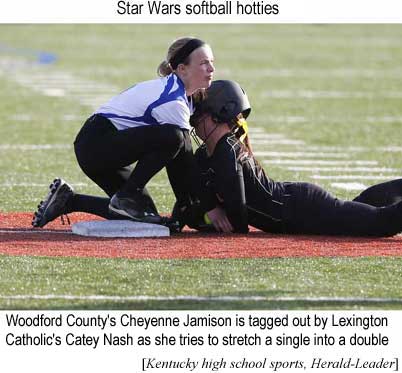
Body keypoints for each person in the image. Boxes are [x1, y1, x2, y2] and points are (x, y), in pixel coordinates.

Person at [32, 37, 215, 228]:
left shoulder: (181, 93)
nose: (211, 69)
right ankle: (128, 195)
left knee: (145, 215)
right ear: (182, 68)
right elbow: (183, 161)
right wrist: (204, 206)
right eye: (203, 63)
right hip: (96, 144)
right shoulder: (173, 100)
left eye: (212, 62)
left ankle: (69, 200)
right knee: (173, 137)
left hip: (101, 143)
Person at [181, 79, 402, 237]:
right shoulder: (205, 155)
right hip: (297, 211)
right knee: (357, 211)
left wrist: (211, 213)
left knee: (380, 223)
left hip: (304, 208)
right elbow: (190, 207)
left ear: (218, 115)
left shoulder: (227, 150)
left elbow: (238, 220)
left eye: (198, 116)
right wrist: (208, 210)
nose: (194, 123)